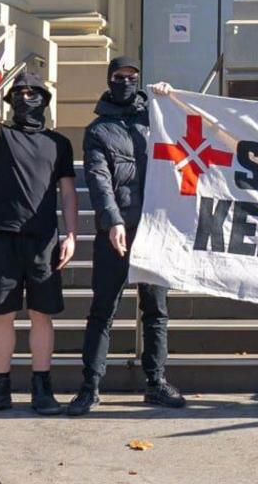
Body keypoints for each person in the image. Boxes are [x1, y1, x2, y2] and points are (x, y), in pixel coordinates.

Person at [68, 57, 185, 416]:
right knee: (103, 309)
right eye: (119, 77)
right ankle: (90, 386)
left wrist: (170, 99)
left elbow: (189, 135)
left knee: (156, 310)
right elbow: (99, 180)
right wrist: (112, 220)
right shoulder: (98, 130)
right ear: (109, 80)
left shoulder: (156, 119)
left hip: (155, 230)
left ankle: (157, 381)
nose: (126, 82)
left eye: (132, 77)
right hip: (116, 230)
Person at [0, 69, 78, 417]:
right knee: (2, 315)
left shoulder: (59, 143)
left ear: (45, 100)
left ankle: (41, 388)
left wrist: (72, 234)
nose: (26, 98)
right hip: (4, 237)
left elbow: (69, 193)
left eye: (34, 93)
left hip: (45, 241)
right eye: (20, 92)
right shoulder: (2, 136)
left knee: (42, 315)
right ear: (10, 99)